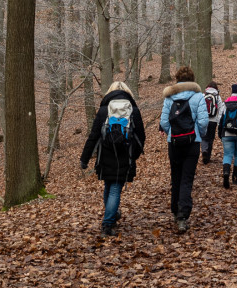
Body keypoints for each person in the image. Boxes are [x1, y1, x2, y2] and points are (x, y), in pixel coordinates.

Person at [80, 81, 146, 237]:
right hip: (125, 156)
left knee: (109, 187)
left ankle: (112, 216)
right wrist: (133, 155)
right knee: (115, 188)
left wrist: (85, 158)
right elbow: (141, 137)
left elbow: (93, 136)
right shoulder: (133, 110)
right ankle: (108, 223)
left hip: (105, 156)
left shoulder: (104, 110)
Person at [160, 66, 208, 233]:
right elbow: (203, 122)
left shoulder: (169, 98)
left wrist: (171, 134)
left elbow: (164, 122)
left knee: (176, 177)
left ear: (177, 79)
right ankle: (182, 216)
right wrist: (198, 135)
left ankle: (175, 210)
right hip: (192, 143)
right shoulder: (198, 97)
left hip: (173, 143)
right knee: (187, 179)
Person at [201, 81, 223, 165]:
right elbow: (221, 109)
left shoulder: (203, 95)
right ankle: (208, 156)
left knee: (203, 137)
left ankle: (204, 151)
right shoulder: (217, 97)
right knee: (211, 138)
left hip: (204, 119)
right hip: (213, 120)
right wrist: (219, 120)